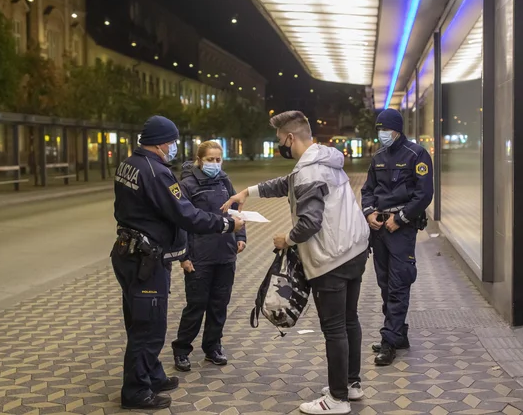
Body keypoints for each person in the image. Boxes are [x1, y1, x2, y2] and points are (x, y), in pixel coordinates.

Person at [223, 110, 370, 415]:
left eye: (280, 140)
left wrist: (285, 240)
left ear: (290, 138)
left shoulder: (308, 172)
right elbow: (285, 184)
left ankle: (337, 400)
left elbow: (309, 223)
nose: (280, 145)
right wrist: (247, 192)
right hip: (354, 250)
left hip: (331, 259)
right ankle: (352, 385)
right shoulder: (324, 160)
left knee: (334, 329)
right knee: (349, 321)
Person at [111, 115, 244, 410]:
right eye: (171, 142)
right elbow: (186, 215)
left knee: (140, 320)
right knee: (148, 327)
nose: (173, 147)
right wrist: (225, 224)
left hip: (129, 253)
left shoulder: (129, 163)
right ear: (161, 142)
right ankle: (136, 392)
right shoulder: (157, 172)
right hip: (145, 260)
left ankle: (152, 375)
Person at [361, 108, 433, 367]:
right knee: (385, 284)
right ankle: (398, 334)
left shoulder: (417, 154)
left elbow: (424, 194)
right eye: (379, 130)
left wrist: (400, 218)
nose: (381, 135)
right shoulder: (378, 156)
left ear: (397, 130)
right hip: (379, 228)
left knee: (399, 283)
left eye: (385, 130)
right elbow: (367, 189)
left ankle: (389, 341)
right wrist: (369, 212)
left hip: (401, 229)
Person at [171, 141, 246, 372]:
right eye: (210, 159)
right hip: (199, 256)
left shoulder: (224, 180)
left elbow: (235, 210)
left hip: (225, 254)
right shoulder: (186, 185)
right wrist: (184, 256)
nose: (215, 164)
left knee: (219, 305)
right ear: (199, 159)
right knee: (196, 306)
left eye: (218, 159)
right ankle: (182, 349)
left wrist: (240, 235)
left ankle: (213, 346)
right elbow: (180, 223)